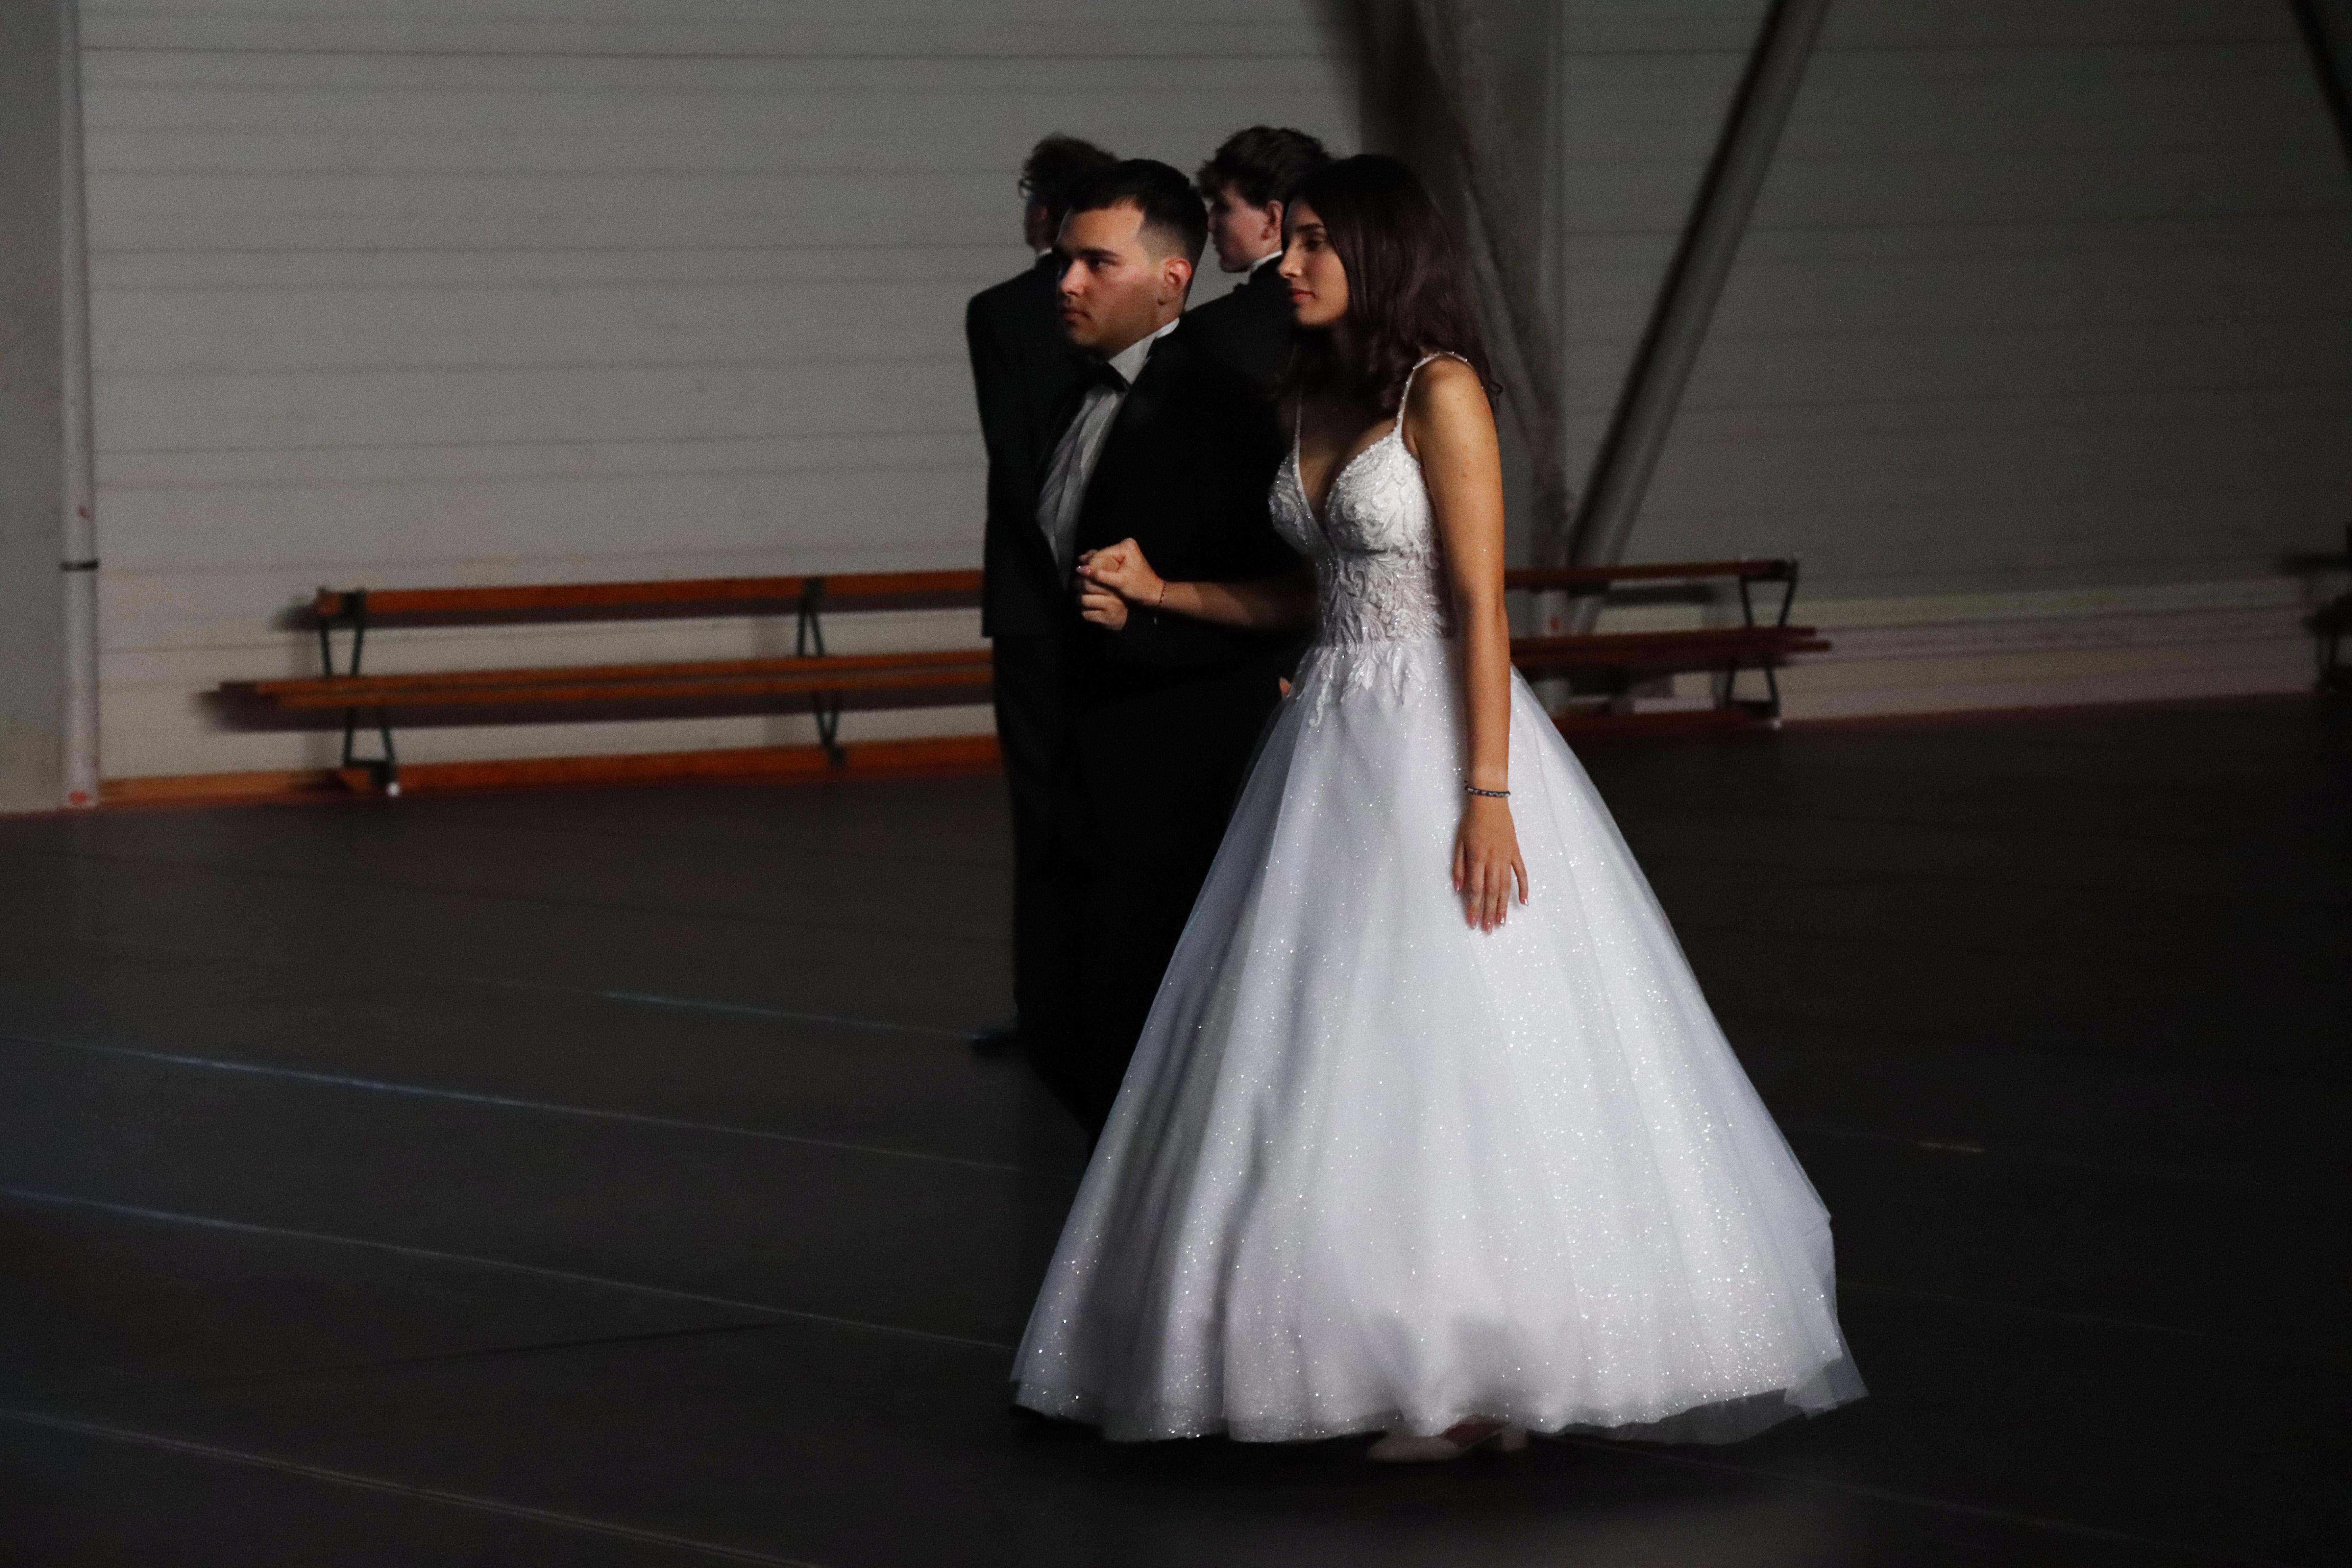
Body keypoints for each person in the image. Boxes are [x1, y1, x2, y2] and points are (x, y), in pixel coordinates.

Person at [1014, 155, 1864, 1459]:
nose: (1289, 263)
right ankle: (1373, 1345)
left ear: (1379, 252)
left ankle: (1476, 1378)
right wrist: (1164, 592)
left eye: (1312, 241)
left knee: (1455, 1020)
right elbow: (1318, 595)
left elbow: (1477, 604)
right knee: (1321, 1032)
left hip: (1435, 733)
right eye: (1290, 239)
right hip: (1327, 739)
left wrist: (1486, 794)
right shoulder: (1312, 393)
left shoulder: (1442, 391)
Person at [1027, 160, 1298, 1135]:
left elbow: (1276, 589)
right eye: (1066, 261)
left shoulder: (1222, 407)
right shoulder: (1073, 391)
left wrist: (1145, 616)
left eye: (1097, 263)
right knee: (1079, 1017)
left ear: (1172, 279)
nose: (1068, 282)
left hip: (1180, 761)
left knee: (1148, 1027)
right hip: (1093, 750)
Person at [965, 133, 1114, 1057]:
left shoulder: (1000, 312)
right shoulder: (1142, 306)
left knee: (1040, 805)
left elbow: (1016, 459)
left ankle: (1046, 1001)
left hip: (1033, 593)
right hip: (1128, 585)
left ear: (1050, 211)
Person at [1183, 126, 1330, 393]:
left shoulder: (1210, 329)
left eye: (1223, 207)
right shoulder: (1348, 319)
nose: (1211, 223)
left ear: (1273, 219)